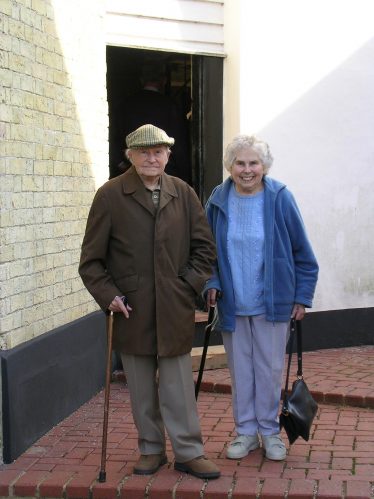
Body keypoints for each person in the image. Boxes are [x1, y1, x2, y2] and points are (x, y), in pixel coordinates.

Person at [79, 124, 220, 479]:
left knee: (178, 386)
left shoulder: (183, 193)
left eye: (158, 152)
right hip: (132, 307)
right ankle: (151, 450)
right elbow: (91, 262)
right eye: (143, 152)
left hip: (173, 306)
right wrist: (109, 295)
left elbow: (205, 249)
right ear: (130, 156)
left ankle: (188, 451)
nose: (151, 158)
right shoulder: (110, 195)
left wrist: (186, 287)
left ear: (168, 155)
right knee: (141, 387)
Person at [204, 135, 318, 461]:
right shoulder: (218, 199)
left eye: (253, 163)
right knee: (241, 371)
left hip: (274, 302)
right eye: (240, 163)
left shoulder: (280, 198)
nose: (247, 169)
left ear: (264, 166)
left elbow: (303, 253)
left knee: (268, 370)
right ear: (230, 166)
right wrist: (210, 281)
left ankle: (270, 433)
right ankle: (245, 433)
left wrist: (301, 296)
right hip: (232, 302)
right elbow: (205, 251)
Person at [110, 63, 191, 183]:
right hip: (166, 177)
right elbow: (180, 147)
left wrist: (122, 166)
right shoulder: (170, 106)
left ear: (141, 80)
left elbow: (113, 139)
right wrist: (185, 178)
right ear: (163, 80)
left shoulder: (125, 105)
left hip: (130, 175)